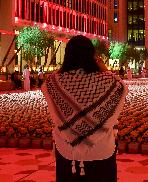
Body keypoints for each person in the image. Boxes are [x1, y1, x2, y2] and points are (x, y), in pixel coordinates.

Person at [41, 35, 128, 182]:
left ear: (67, 55)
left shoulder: (55, 82)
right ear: (92, 55)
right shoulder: (107, 81)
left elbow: (47, 84)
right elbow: (122, 88)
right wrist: (106, 70)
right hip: (102, 151)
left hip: (68, 153)